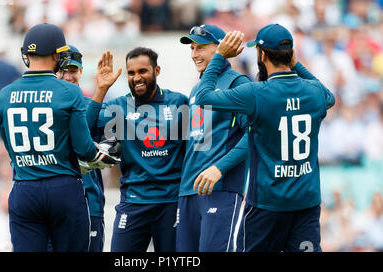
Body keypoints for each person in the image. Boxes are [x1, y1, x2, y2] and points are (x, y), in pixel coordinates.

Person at [194, 24, 336, 252]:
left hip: (267, 204)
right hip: (306, 203)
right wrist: (296, 64)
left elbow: (203, 97)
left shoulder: (256, 93)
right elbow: (329, 97)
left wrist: (219, 56)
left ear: (261, 54)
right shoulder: (315, 92)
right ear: (289, 55)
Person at [0, 23, 118, 252]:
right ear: (56, 55)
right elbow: (84, 149)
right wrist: (99, 156)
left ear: (26, 55)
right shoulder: (69, 92)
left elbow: (10, 147)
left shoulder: (4, 95)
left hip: (24, 186)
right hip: (63, 188)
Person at [85, 47, 188, 252]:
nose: (137, 77)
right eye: (131, 73)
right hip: (133, 201)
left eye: (143, 71)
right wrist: (101, 89)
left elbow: (195, 149)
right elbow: (86, 131)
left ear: (157, 71)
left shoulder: (179, 103)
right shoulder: (118, 106)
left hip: (171, 201)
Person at [176, 24, 250, 252]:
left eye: (200, 48)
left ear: (220, 48)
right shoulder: (196, 89)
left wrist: (220, 168)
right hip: (188, 191)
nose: (194, 54)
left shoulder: (239, 83)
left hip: (221, 189)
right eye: (192, 48)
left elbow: (255, 134)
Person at [56, 44, 106, 252]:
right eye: (63, 71)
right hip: (55, 205)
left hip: (89, 203)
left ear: (81, 72)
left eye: (73, 71)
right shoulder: (45, 108)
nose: (69, 76)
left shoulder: (92, 104)